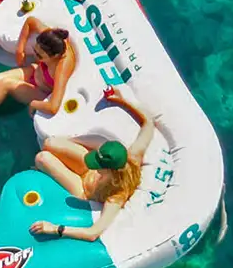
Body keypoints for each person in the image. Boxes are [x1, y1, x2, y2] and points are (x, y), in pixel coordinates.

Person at [30, 90, 156, 242]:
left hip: (84, 189)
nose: (95, 163)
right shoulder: (132, 156)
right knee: (50, 143)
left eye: (98, 163)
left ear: (111, 171)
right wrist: (122, 100)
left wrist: (56, 228)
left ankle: (45, 168)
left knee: (42, 158)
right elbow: (148, 124)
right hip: (88, 172)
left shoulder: (115, 197)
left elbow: (93, 233)